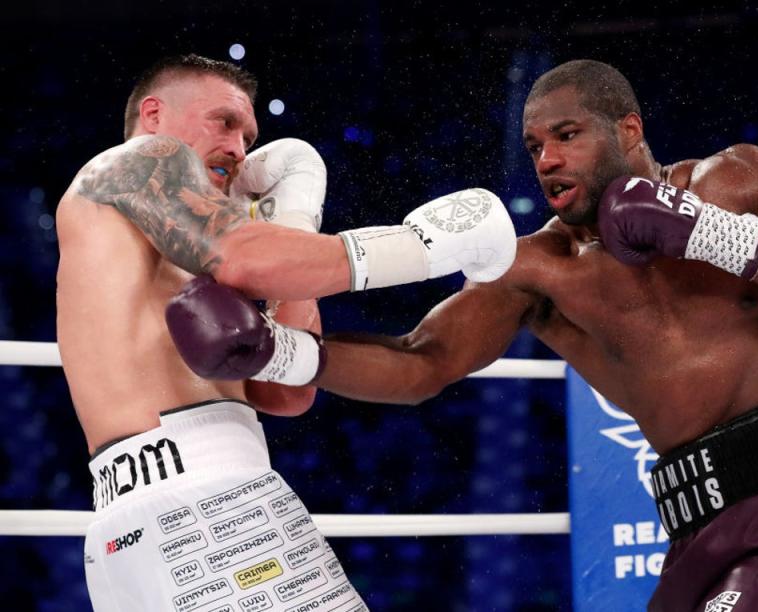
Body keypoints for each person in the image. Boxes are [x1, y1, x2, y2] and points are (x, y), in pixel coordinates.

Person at [168, 59, 758, 610]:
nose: (546, 160)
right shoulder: (538, 270)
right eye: (534, 145)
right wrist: (282, 353)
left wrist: (705, 232)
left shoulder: (733, 183)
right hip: (697, 534)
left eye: (567, 136)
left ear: (630, 131)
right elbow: (422, 364)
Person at [56, 53, 516, 612]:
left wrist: (293, 223)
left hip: (129, 532)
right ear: (153, 114)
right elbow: (243, 259)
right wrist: (418, 247)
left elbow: (286, 393)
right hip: (211, 508)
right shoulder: (131, 162)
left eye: (249, 135)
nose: (240, 148)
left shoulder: (176, 238)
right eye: (224, 122)